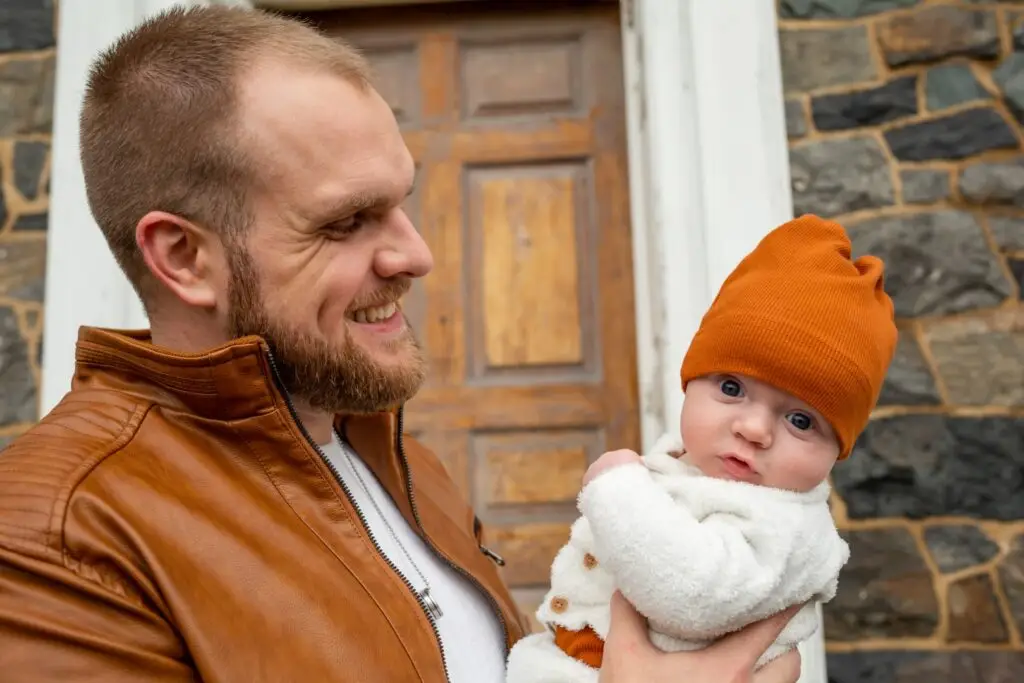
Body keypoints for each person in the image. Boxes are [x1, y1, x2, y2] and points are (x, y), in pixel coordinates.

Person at [0, 6, 801, 683]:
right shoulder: (56, 538)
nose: (415, 254)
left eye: (401, 202)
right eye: (347, 221)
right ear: (183, 257)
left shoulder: (408, 464)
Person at [506, 215, 898, 682]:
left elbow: (690, 593)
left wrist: (616, 489)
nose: (753, 429)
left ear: (838, 450)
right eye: (732, 387)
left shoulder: (789, 528)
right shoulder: (681, 464)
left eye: (800, 420)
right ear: (689, 381)